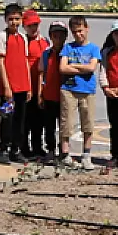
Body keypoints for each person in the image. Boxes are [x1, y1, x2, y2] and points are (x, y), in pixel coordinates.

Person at [59, 15, 101, 169]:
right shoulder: (68, 48)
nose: (78, 34)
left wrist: (74, 67)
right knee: (67, 123)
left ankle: (86, 155)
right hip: (68, 89)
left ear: (87, 28)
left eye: (81, 30)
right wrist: (82, 68)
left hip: (87, 90)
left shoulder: (94, 49)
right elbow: (62, 68)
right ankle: (65, 154)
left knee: (88, 123)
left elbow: (92, 67)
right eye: (75, 32)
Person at [0, 3, 31, 164]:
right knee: (7, 118)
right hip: (9, 87)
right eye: (11, 19)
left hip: (22, 85)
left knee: (20, 120)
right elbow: (1, 62)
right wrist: (7, 86)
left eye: (17, 19)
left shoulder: (23, 37)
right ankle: (4, 149)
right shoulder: (3, 37)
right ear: (5, 20)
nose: (14, 22)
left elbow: (26, 62)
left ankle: (16, 149)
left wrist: (28, 86)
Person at [37, 21, 68, 164]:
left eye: (61, 35)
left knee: (64, 125)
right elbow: (41, 74)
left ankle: (64, 151)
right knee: (49, 126)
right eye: (55, 35)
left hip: (65, 96)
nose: (58, 38)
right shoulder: (46, 54)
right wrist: (39, 94)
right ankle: (50, 150)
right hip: (49, 95)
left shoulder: (68, 53)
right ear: (50, 36)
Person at [22, 9, 50, 161]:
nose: (33, 28)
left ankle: (38, 146)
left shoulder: (45, 41)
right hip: (26, 86)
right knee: (25, 120)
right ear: (24, 26)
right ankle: (24, 147)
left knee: (39, 119)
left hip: (40, 86)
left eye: (35, 25)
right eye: (30, 25)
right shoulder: (23, 41)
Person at [100, 20, 118, 168]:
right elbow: (103, 71)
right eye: (116, 34)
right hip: (112, 94)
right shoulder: (107, 52)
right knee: (115, 125)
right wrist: (106, 88)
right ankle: (115, 155)